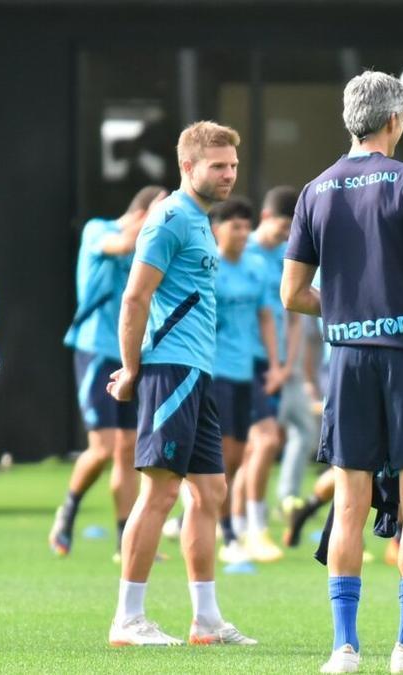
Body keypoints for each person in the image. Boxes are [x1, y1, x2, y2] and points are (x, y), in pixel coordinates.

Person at [281, 70, 403, 674]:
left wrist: (347, 311)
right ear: (396, 121)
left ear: (348, 120)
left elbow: (292, 294)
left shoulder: (315, 189)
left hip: (348, 361)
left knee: (350, 504)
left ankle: (343, 649)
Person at [106, 121, 256, 647]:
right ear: (187, 167)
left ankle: (207, 621)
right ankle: (128, 619)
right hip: (169, 371)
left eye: (232, 165)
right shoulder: (169, 217)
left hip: (197, 374)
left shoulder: (200, 221)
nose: (228, 174)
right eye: (218, 165)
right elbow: (134, 297)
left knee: (210, 492)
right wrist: (129, 371)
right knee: (161, 492)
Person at [50, 185, 166, 561]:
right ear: (142, 212)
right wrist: (149, 224)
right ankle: (68, 509)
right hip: (95, 351)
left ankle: (123, 539)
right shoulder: (98, 230)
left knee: (127, 450)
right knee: (100, 449)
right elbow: (118, 246)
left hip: (128, 355)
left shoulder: (147, 247)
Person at [209, 196, 282, 567]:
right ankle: (228, 533)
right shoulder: (208, 266)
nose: (240, 233)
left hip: (246, 370)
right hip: (215, 371)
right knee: (222, 458)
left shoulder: (255, 266)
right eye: (233, 225)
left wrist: (273, 363)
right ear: (216, 229)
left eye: (244, 226)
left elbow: (267, 317)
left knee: (237, 458)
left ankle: (228, 522)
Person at [241, 185, 306, 563]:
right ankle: (251, 527)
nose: (287, 233)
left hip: (274, 367)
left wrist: (284, 367)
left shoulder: (287, 257)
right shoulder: (240, 252)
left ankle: (240, 527)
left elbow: (294, 321)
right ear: (265, 218)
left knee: (256, 448)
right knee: (258, 445)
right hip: (244, 362)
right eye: (283, 225)